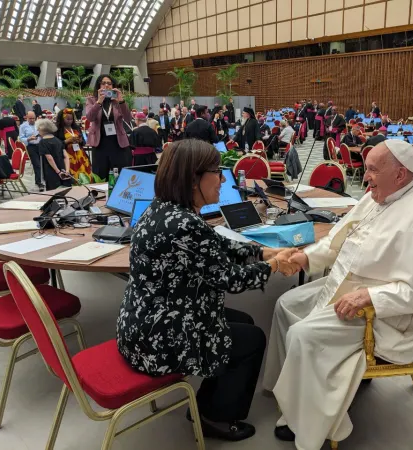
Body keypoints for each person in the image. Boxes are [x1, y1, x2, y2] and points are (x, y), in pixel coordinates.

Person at [263, 140, 413, 450]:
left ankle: (310, 421)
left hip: (389, 315)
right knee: (285, 304)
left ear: (399, 175)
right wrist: (307, 258)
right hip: (352, 284)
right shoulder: (378, 196)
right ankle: (290, 396)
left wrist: (370, 297)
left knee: (303, 333)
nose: (365, 177)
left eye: (372, 170)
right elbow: (341, 240)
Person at [116, 139, 299, 442]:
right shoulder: (185, 224)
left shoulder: (163, 210)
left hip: (145, 323)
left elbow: (217, 244)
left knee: (243, 321)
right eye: (217, 171)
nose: (224, 178)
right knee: (253, 339)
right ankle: (216, 418)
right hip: (159, 340)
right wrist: (275, 265)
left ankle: (206, 404)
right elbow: (231, 279)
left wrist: (261, 253)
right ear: (192, 179)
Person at [85, 74, 131, 178]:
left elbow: (128, 118)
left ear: (113, 86)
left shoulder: (117, 101)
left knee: (120, 175)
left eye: (109, 83)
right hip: (100, 143)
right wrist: (99, 102)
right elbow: (90, 118)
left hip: (118, 143)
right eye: (103, 83)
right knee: (101, 175)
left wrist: (121, 102)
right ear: (99, 86)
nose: (106, 85)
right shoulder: (91, 100)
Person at [55, 108, 92, 181]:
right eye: (67, 119)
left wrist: (80, 141)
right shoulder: (58, 130)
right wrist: (67, 141)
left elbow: (84, 142)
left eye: (71, 119)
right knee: (73, 177)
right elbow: (56, 145)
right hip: (68, 157)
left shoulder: (76, 127)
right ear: (62, 119)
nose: (70, 121)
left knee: (85, 176)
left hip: (80, 155)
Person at [37, 119, 71, 191]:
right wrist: (67, 170)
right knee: (65, 191)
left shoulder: (43, 142)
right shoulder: (58, 140)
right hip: (63, 169)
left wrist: (58, 171)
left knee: (53, 192)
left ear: (42, 129)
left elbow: (49, 157)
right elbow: (66, 156)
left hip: (52, 171)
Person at [19, 111, 44, 191]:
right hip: (31, 146)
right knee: (37, 164)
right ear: (27, 117)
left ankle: (43, 179)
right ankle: (39, 182)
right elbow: (21, 138)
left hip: (40, 145)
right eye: (30, 119)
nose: (32, 120)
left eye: (34, 118)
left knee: (43, 163)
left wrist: (42, 134)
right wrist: (29, 138)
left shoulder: (38, 124)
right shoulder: (23, 126)